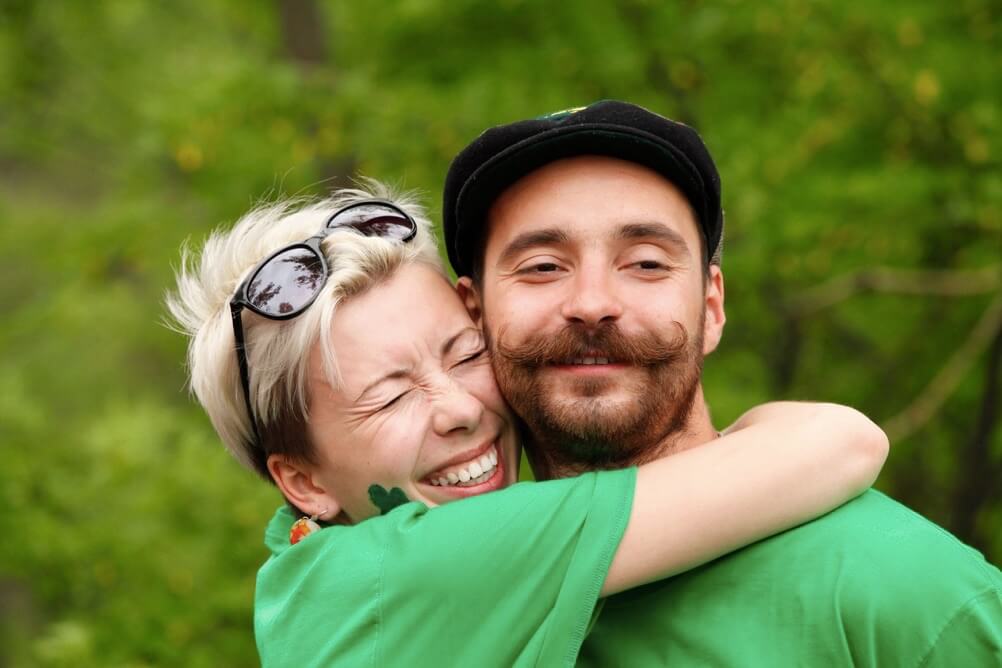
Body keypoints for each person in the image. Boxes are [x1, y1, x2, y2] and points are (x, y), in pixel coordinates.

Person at [167, 183, 886, 667]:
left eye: (467, 351)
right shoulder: (400, 575)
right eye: (389, 397)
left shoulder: (306, 580)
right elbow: (845, 444)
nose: (458, 408)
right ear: (303, 480)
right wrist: (761, 423)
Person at [442, 99, 1002, 665]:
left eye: (646, 263)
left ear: (711, 308)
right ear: (474, 316)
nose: (592, 303)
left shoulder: (904, 589)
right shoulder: (429, 610)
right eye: (542, 265)